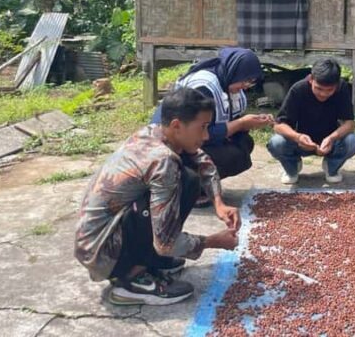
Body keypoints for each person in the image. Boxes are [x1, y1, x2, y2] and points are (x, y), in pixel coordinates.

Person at [74, 88, 240, 306]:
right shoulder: (163, 161)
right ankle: (132, 280)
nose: (206, 136)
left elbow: (201, 160)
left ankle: (147, 260)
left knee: (189, 179)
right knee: (182, 182)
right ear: (177, 125)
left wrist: (218, 203)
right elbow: (166, 243)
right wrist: (212, 242)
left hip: (101, 240)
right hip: (102, 252)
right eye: (203, 127)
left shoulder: (154, 132)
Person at [152, 47, 273, 184]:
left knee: (244, 142)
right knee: (232, 155)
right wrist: (241, 124)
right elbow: (199, 133)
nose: (246, 86)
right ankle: (193, 184)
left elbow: (224, 119)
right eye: (245, 80)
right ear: (234, 71)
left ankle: (204, 183)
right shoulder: (204, 86)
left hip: (193, 138)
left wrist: (250, 122)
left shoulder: (227, 83)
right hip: (172, 145)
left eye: (251, 82)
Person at [267, 59, 355, 184]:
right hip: (301, 142)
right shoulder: (298, 89)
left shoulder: (341, 88)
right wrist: (298, 137)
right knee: (276, 143)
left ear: (337, 84)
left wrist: (331, 138)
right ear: (311, 79)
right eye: (319, 88)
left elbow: (349, 123)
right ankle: (292, 167)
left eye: (329, 90)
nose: (323, 94)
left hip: (331, 143)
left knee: (353, 142)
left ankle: (331, 167)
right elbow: (279, 126)